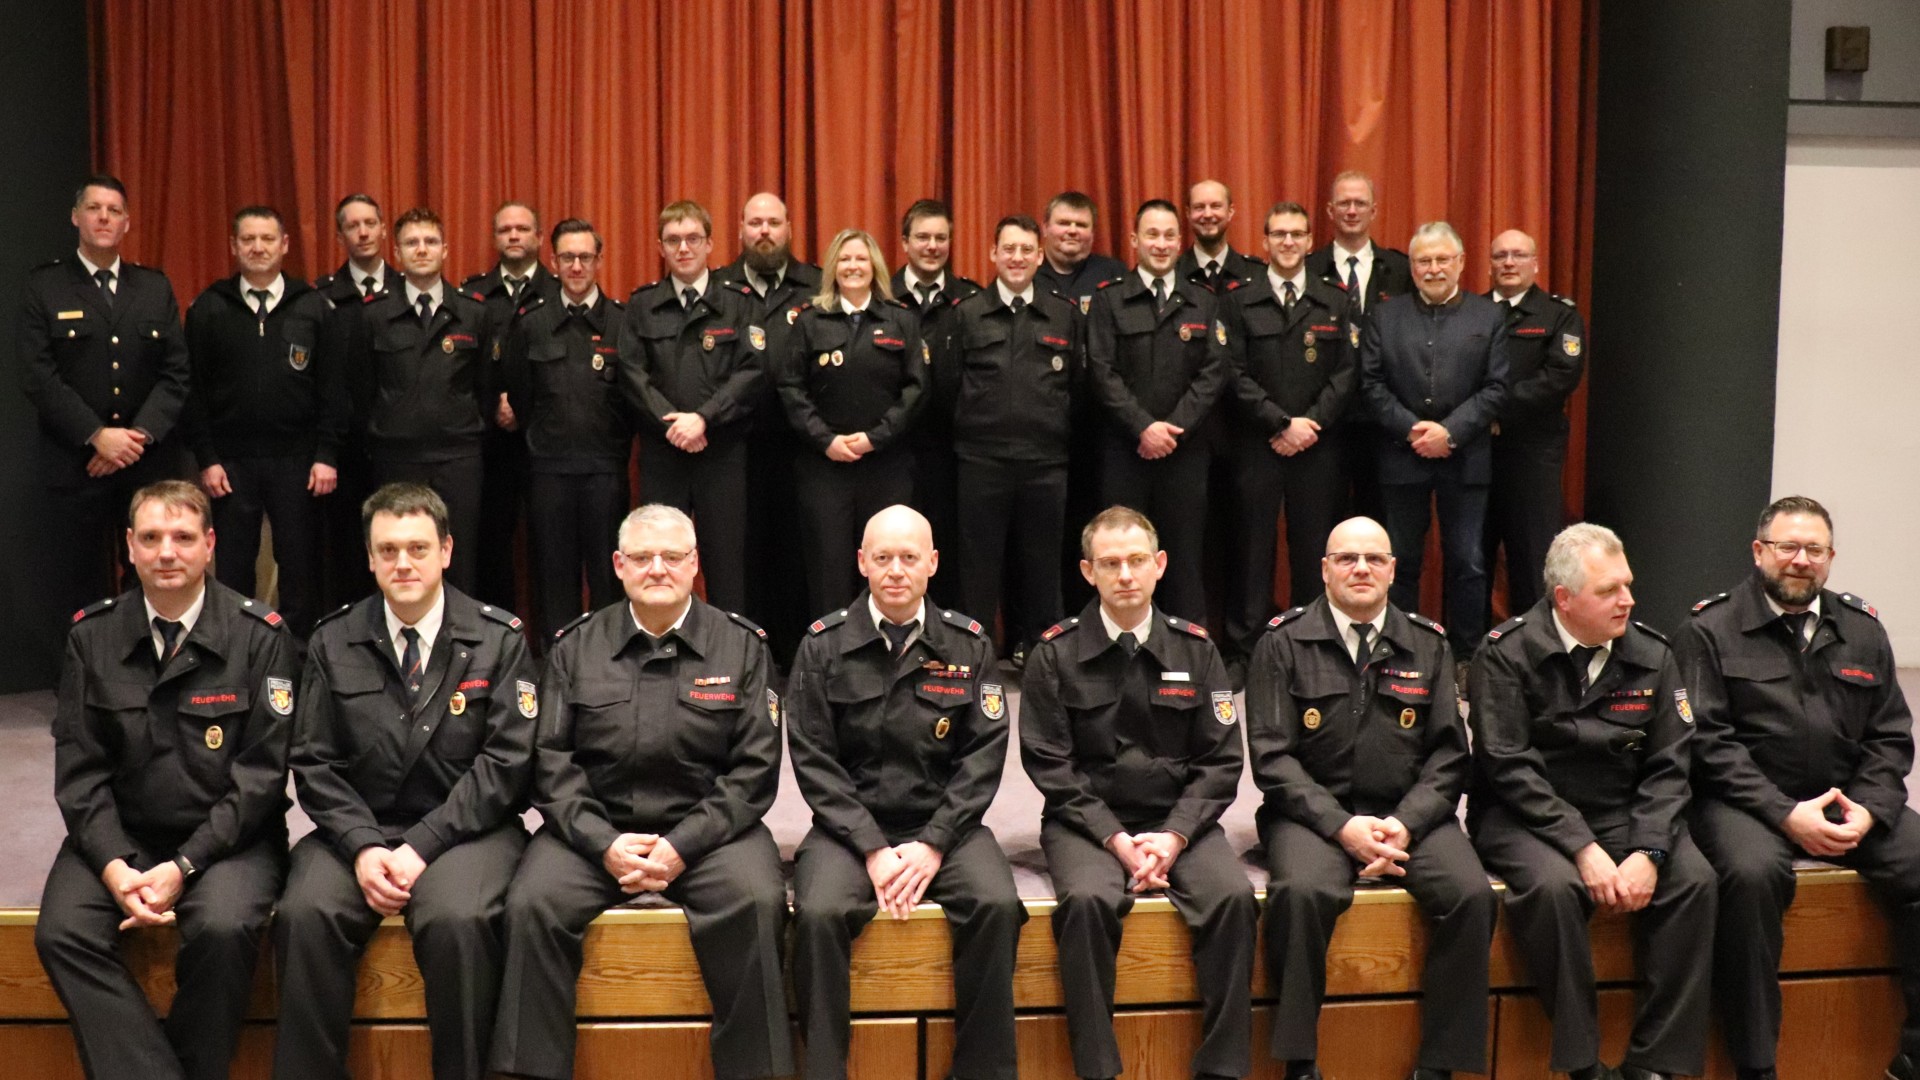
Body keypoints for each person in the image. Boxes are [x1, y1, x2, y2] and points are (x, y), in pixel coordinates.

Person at [490, 505, 794, 1080]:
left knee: (757, 901)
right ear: (618, 566)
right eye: (642, 557)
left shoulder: (742, 646)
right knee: (531, 903)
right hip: (595, 831)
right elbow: (550, 763)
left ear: (695, 564)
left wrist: (682, 846)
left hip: (710, 837)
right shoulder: (574, 647)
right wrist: (603, 843)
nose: (658, 568)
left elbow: (755, 771)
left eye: (673, 556)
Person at [273, 483, 535, 1080]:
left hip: (466, 831)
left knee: (457, 922)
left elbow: (507, 763)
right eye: (387, 550)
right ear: (369, 558)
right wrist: (364, 845)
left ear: (446, 550)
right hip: (357, 831)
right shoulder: (332, 640)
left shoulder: (499, 638)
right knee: (303, 914)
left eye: (417, 548)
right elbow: (313, 761)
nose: (403, 563)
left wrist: (421, 846)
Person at [35, 480, 296, 1080]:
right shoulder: (91, 637)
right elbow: (79, 773)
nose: (166, 553)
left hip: (229, 841)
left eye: (182, 538)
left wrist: (184, 867)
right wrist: (113, 865)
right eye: (151, 538)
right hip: (122, 835)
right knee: (61, 934)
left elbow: (260, 779)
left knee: (226, 928)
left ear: (210, 545)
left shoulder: (261, 638)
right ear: (130, 546)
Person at [1676, 496, 1920, 1080]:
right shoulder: (1709, 629)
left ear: (1830, 559)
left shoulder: (1862, 630)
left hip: (1845, 802)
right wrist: (1785, 814)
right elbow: (1706, 744)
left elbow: (1891, 737)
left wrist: (1869, 809)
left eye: (1814, 550)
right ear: (1760, 552)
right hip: (1745, 804)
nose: (1801, 561)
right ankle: (1756, 1065)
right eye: (1788, 547)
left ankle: (1914, 1052)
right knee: (1754, 878)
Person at [1246, 516, 1492, 1080]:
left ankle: (1441, 1065)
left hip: (1409, 816)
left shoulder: (1428, 643)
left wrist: (1404, 825)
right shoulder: (1282, 642)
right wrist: (1342, 828)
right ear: (1325, 569)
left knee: (1471, 895)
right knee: (1302, 893)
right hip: (1312, 817)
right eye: (1347, 558)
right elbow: (1272, 759)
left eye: (1374, 559)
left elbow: (1450, 755)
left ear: (1393, 570)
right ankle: (1300, 1064)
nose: (1361, 569)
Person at [1469, 523, 1716, 1080]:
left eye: (1627, 585)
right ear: (1564, 598)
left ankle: (1656, 1064)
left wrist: (1649, 851)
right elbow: (1508, 766)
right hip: (1524, 816)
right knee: (1554, 890)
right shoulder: (1506, 654)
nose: (1627, 599)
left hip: (1623, 810)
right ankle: (1583, 1064)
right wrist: (1582, 846)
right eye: (1609, 591)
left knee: (1695, 882)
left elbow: (1671, 763)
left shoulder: (1654, 653)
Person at [787, 505, 1023, 1080]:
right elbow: (813, 761)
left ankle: (982, 1071)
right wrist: (870, 846)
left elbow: (982, 757)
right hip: (849, 829)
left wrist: (935, 842)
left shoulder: (969, 644)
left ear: (933, 564)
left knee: (996, 906)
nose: (896, 570)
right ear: (862, 562)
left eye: (910, 557)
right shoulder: (821, 645)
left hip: (944, 825)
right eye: (884, 557)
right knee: (816, 914)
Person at [1020, 506, 1255, 1080]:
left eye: (1136, 561)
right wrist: (1117, 840)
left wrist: (1173, 836)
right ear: (1087, 572)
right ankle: (1098, 1070)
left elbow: (1221, 760)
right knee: (1086, 905)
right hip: (1088, 825)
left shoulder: (1196, 651)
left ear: (1160, 566)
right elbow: (1049, 764)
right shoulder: (1054, 653)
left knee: (1233, 899)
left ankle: (1223, 1068)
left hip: (1180, 821)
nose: (1125, 574)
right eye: (1110, 563)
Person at [20, 174, 192, 616]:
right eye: (94, 208)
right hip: (75, 462)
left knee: (154, 571)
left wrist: (133, 440)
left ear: (127, 224)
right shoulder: (46, 286)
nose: (103, 217)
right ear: (76, 216)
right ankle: (84, 679)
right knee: (77, 580)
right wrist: (97, 435)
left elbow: (175, 373)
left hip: (145, 461)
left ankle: (155, 668)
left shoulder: (153, 287)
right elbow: (38, 375)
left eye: (114, 211)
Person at [183, 205, 342, 637]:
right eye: (248, 239)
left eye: (267, 239)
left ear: (284, 245)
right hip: (230, 463)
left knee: (299, 565)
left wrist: (326, 454)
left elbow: (331, 388)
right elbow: (192, 391)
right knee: (234, 566)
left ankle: (298, 655)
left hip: (298, 460)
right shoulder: (209, 308)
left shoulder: (312, 306)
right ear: (234, 246)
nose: (258, 247)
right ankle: (238, 652)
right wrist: (207, 458)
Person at [1359, 221, 1508, 658]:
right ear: (1413, 266)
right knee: (1400, 561)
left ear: (1461, 263)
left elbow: (1497, 388)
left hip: (1466, 459)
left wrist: (1451, 433)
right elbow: (1371, 385)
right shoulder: (1385, 316)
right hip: (1401, 457)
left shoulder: (1489, 315)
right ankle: (1404, 654)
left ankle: (1465, 657)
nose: (1434, 268)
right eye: (1424, 260)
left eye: (1443, 259)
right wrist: (1412, 430)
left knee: (1468, 563)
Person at [1221, 200, 1355, 668]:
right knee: (1251, 548)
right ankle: (1245, 651)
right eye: (1279, 234)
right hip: (1257, 443)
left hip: (1316, 446)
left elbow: (1346, 374)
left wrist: (1307, 425)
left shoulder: (1335, 298)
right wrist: (1280, 423)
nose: (1288, 242)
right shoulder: (1240, 298)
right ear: (1264, 240)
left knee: (1312, 549)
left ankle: (1307, 646)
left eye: (1297, 234)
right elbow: (1231, 371)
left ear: (1309, 240)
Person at [1084, 200, 1231, 622]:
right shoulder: (1110, 301)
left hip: (1185, 454)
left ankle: (1189, 655)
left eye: (1169, 235)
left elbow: (1214, 371)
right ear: (1134, 240)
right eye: (1152, 234)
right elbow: (1102, 372)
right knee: (1119, 559)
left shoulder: (1203, 301)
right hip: (1124, 451)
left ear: (1180, 241)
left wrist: (1172, 430)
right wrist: (1144, 428)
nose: (1161, 244)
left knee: (1183, 557)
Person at [619, 200, 766, 614]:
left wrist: (703, 418)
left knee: (725, 562)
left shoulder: (738, 302)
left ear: (710, 244)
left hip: (721, 453)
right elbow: (632, 375)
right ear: (660, 247)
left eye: (692, 239)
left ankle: (733, 657)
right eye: (673, 240)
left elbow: (752, 372)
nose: (683, 248)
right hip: (663, 454)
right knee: (659, 559)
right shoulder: (643, 305)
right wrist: (674, 424)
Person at [949, 214, 1082, 662]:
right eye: (1009, 249)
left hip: (1045, 464)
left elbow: (1078, 389)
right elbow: (947, 388)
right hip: (981, 463)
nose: (1017, 258)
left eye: (1026, 250)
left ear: (1039, 255)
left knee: (1043, 573)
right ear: (993, 254)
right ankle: (976, 663)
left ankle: (1045, 666)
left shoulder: (1063, 314)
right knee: (978, 573)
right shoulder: (967, 314)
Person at [776, 227, 929, 617]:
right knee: (828, 568)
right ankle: (829, 660)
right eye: (845, 259)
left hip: (886, 466)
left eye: (861, 258)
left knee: (886, 565)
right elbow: (791, 388)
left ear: (874, 265)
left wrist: (875, 438)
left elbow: (916, 390)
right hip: (824, 467)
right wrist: (826, 440)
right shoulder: (810, 321)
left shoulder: (901, 320)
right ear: (833, 268)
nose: (853, 266)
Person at [342, 208, 494, 593]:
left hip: (458, 457)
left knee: (459, 559)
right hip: (397, 457)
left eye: (430, 242)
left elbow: (486, 387)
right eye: (412, 243)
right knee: (398, 558)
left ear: (445, 249)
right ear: (396, 252)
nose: (421, 250)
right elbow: (361, 390)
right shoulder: (373, 315)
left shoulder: (473, 312)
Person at [501, 218, 632, 643]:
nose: (577, 266)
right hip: (549, 472)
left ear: (599, 260)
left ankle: (610, 663)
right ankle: (560, 665)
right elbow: (521, 395)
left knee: (608, 577)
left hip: (605, 471)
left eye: (585, 257)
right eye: (568, 258)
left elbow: (632, 398)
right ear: (553, 261)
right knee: (554, 578)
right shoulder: (531, 323)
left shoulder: (620, 322)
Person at [714, 191, 823, 661]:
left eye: (773, 222)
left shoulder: (817, 285)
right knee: (741, 558)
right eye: (755, 222)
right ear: (740, 229)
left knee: (800, 554)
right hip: (733, 444)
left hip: (804, 445)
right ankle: (747, 659)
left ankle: (796, 661)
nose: (764, 231)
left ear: (789, 229)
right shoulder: (717, 288)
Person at [463, 202, 561, 611]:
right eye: (505, 230)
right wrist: (496, 405)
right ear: (494, 238)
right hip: (488, 440)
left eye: (523, 229)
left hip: (545, 438)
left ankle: (549, 647)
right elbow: (464, 366)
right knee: (490, 544)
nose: (514, 236)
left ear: (540, 238)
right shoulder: (473, 294)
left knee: (550, 545)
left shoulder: (559, 291)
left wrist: (523, 405)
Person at [1035, 191, 1128, 618]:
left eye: (1081, 225)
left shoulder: (1113, 276)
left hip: (1104, 431)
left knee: (1097, 531)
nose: (1072, 232)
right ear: (1046, 228)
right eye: (1064, 223)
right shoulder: (1026, 274)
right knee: (1043, 537)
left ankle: (1093, 618)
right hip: (1041, 431)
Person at [1483, 229, 1585, 618]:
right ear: (1490, 264)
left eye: (1518, 255)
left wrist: (1493, 409)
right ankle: (1470, 656)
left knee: (1531, 557)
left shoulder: (1559, 315)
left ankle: (1531, 648)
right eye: (1500, 256)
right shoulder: (1471, 312)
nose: (1509, 263)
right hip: (1478, 453)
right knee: (1472, 560)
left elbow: (1559, 377)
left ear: (1536, 263)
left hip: (1532, 455)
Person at [892, 198, 984, 607]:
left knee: (947, 547)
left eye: (941, 238)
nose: (932, 246)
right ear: (905, 242)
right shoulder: (882, 295)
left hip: (953, 449)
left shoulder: (971, 300)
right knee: (891, 544)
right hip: (891, 447)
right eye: (923, 237)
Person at [1305, 171, 1412, 521]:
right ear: (1330, 211)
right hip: (1325, 421)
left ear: (1374, 211)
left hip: (1384, 423)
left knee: (1383, 523)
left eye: (1360, 203)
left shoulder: (1400, 270)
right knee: (1324, 523)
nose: (1352, 210)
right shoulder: (1307, 269)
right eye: (1344, 203)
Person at [312, 194, 396, 609]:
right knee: (347, 549)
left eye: (370, 223)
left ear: (383, 228)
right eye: (352, 225)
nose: (362, 232)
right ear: (340, 234)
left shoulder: (407, 289)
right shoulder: (323, 297)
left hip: (397, 443)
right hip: (344, 448)